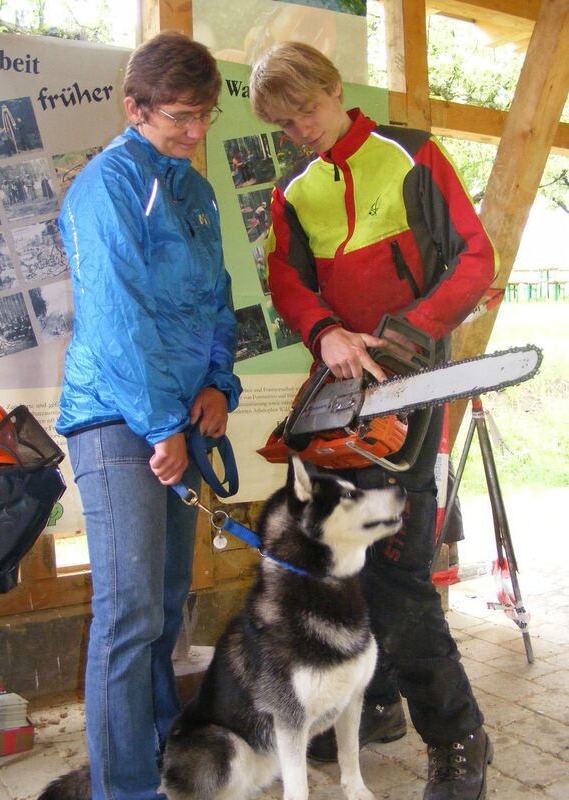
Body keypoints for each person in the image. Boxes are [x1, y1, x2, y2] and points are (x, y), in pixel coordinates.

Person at [250, 42, 497, 800]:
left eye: (306, 114)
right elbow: (285, 277)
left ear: (334, 89)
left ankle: (459, 738)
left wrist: (406, 335)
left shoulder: (411, 154)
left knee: (396, 578)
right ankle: (377, 704)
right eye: (285, 126)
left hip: (410, 389)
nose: (300, 132)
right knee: (336, 559)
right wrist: (324, 329)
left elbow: (475, 260)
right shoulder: (294, 191)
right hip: (336, 393)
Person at [55, 32, 242, 800]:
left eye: (204, 117)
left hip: (178, 416)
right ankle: (122, 787)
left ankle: (165, 750)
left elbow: (216, 300)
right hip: (115, 416)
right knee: (128, 612)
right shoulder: (106, 186)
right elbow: (114, 318)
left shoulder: (194, 192)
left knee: (165, 606)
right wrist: (162, 423)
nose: (195, 133)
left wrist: (217, 386)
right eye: (179, 117)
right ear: (134, 109)